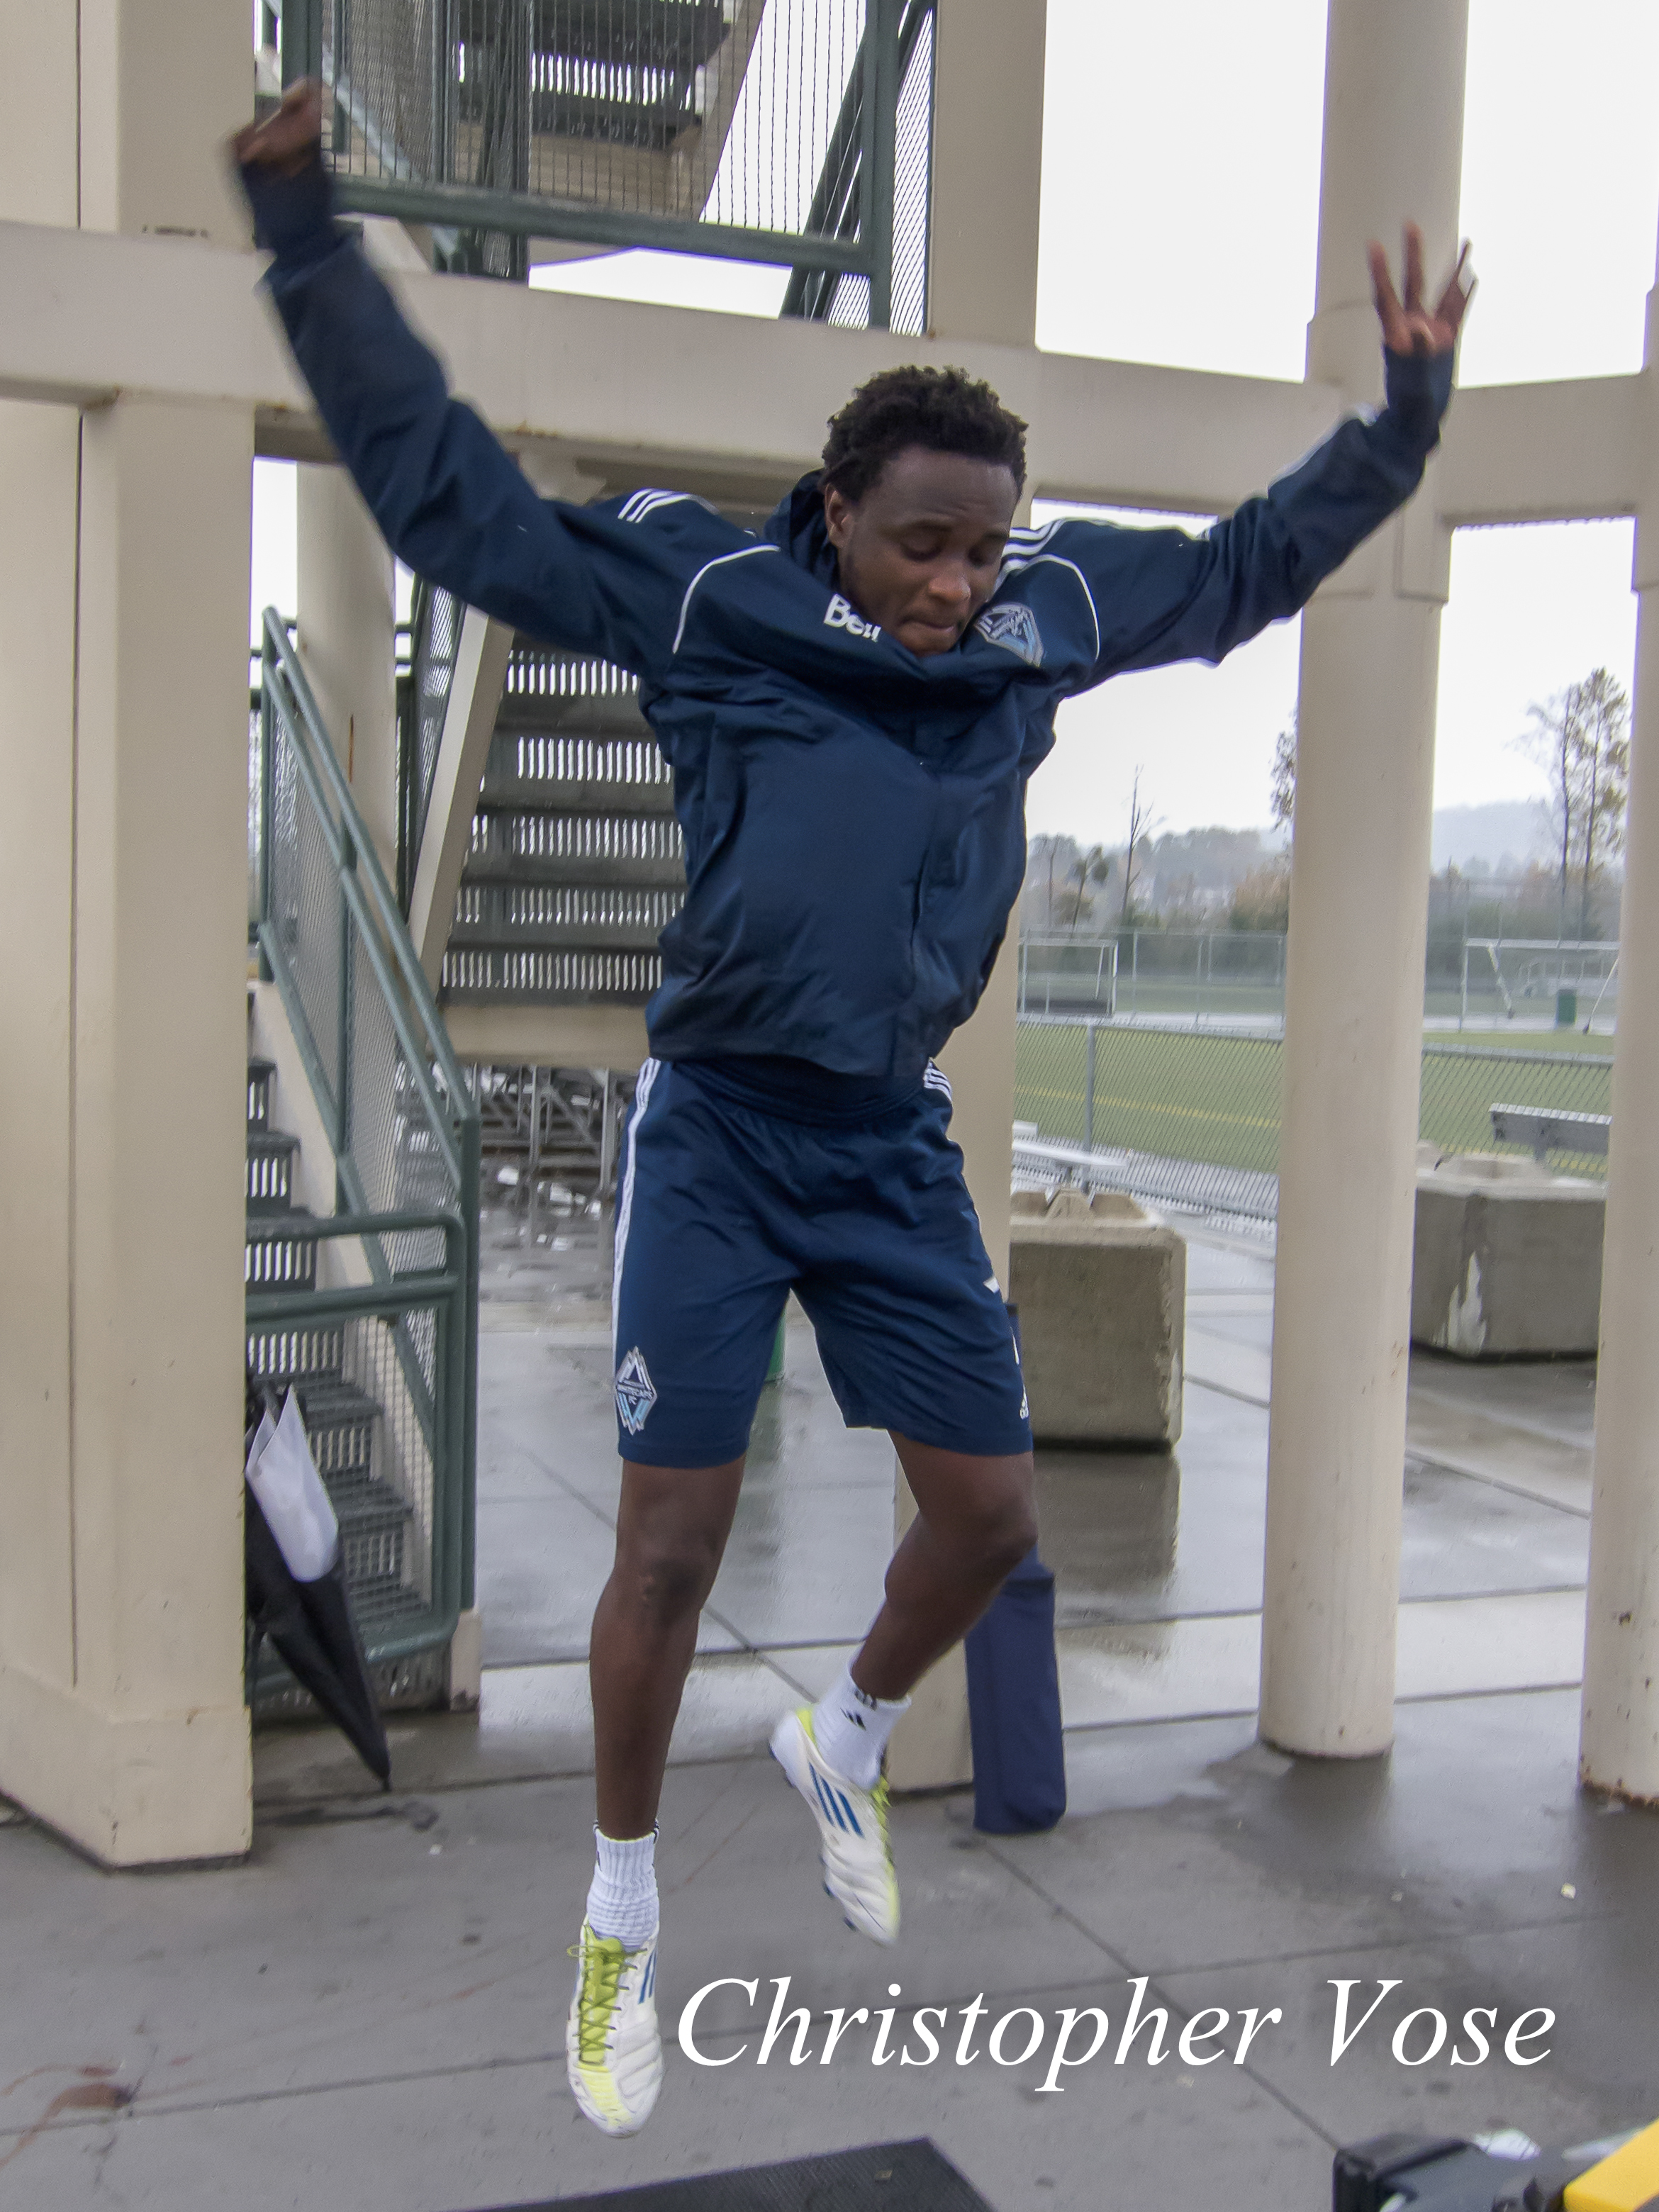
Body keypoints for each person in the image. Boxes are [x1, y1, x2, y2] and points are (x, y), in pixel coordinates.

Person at [234, 82, 1471, 2141]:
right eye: (921, 543)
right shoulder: (714, 604)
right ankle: (621, 1910)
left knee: (983, 1525)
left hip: (888, 1139)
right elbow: (454, 505)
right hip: (721, 1127)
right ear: (836, 518)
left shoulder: (1039, 622)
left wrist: (1403, 427)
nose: (955, 585)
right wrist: (301, 242)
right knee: (673, 1542)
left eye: (985, 545)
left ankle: (847, 1738)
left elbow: (1250, 567)